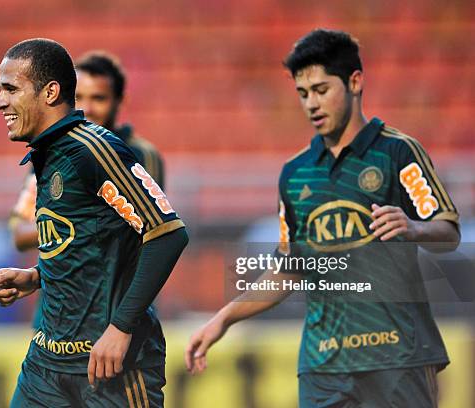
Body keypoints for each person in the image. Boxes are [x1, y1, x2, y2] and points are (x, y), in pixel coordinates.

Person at [185, 29, 460, 407]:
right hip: (323, 364)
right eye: (303, 93)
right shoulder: (295, 174)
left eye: (321, 89)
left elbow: (448, 232)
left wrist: (413, 227)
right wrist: (224, 319)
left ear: (355, 82)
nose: (311, 103)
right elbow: (288, 268)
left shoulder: (398, 153)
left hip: (398, 357)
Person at [0, 38, 188, 407]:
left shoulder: (93, 149)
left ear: (49, 92)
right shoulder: (47, 153)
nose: (0, 101)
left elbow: (167, 234)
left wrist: (121, 327)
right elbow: (90, 240)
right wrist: (36, 277)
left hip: (109, 365)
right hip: (47, 361)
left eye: (10, 89)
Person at [7, 52, 167, 330]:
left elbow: (144, 232)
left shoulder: (141, 155)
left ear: (120, 101)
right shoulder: (48, 153)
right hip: (55, 312)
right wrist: (70, 222)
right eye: (79, 98)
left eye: (99, 98)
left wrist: (65, 222)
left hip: (113, 311)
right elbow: (20, 233)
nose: (88, 108)